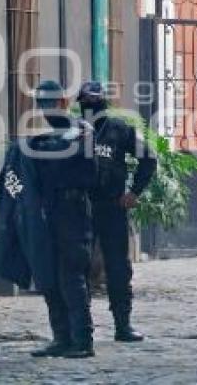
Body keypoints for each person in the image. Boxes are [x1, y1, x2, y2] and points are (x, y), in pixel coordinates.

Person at [77, 81, 156, 342]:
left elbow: (149, 157)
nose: (90, 104)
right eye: (85, 100)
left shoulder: (119, 129)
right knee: (77, 267)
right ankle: (80, 327)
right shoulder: (72, 131)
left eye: (94, 99)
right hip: (79, 209)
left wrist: (134, 192)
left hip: (111, 207)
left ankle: (123, 324)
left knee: (118, 268)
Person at [26, 80, 97, 358]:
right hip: (50, 210)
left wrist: (38, 149)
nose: (45, 109)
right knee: (50, 276)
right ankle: (62, 338)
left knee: (71, 274)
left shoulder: (81, 130)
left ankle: (82, 340)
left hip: (73, 210)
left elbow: (62, 152)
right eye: (41, 104)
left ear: (64, 102)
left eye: (50, 102)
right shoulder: (45, 137)